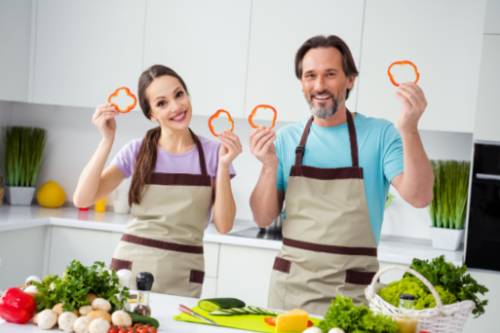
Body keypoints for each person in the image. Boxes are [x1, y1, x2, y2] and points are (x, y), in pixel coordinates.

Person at [249, 35, 434, 314]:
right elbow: (263, 218)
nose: (319, 85)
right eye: (310, 75)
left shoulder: (380, 134)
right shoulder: (287, 139)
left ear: (350, 80)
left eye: (330, 74)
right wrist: (268, 166)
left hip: (353, 293)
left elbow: (420, 196)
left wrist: (409, 128)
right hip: (291, 291)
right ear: (301, 83)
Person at [73, 64, 242, 297]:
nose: (176, 106)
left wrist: (223, 166)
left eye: (179, 94)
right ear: (151, 114)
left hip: (183, 271)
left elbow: (224, 226)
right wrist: (106, 140)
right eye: (162, 103)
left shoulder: (214, 153)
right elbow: (83, 198)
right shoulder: (137, 150)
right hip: (131, 267)